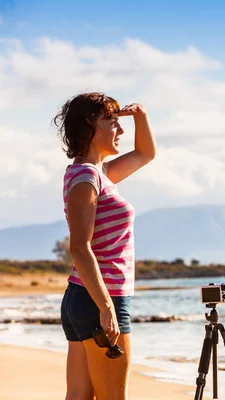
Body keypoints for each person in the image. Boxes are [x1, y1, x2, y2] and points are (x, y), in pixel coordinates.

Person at [53, 92, 156, 400]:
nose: (119, 130)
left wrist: (140, 116)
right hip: (100, 298)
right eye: (111, 122)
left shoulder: (100, 174)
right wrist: (107, 307)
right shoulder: (86, 177)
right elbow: (80, 248)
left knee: (79, 396)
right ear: (89, 128)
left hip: (83, 298)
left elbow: (145, 153)